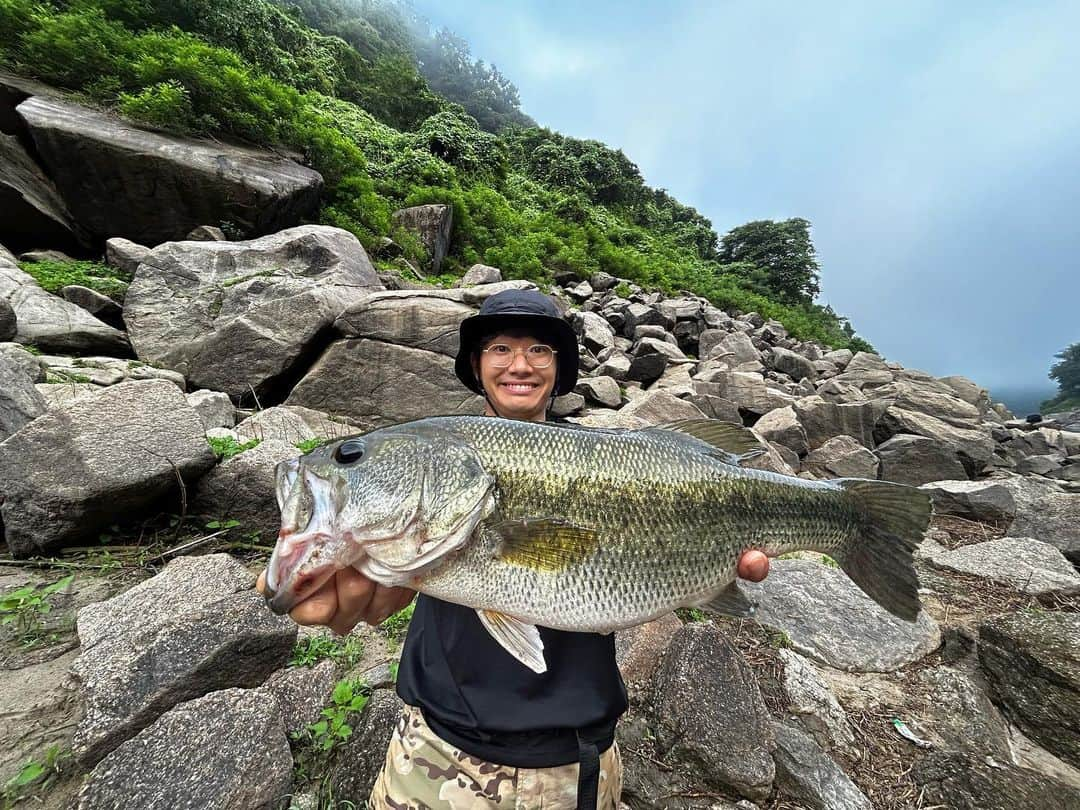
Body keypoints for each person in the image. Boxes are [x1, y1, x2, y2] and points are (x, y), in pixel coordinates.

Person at [257, 289, 770, 809]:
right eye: (500, 348)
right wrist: (381, 578)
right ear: (476, 366)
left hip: (579, 767)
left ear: (559, 368)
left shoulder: (614, 462)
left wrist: (709, 571)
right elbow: (414, 568)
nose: (519, 364)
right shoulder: (441, 460)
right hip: (437, 757)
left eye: (539, 350)